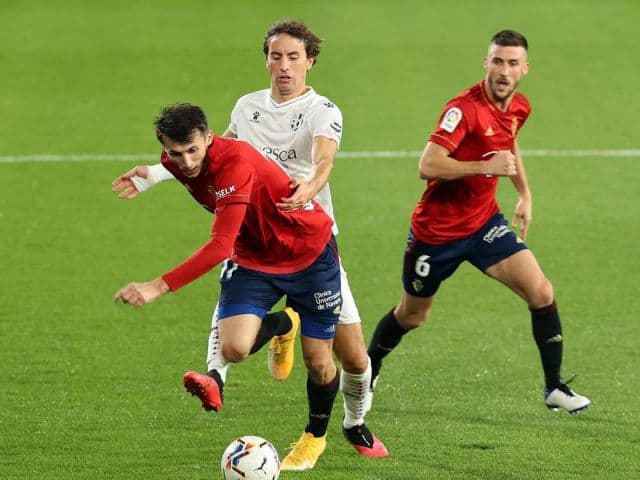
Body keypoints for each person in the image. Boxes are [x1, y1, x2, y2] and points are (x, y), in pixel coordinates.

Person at [111, 20, 388, 468]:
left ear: (309, 61)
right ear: (266, 60)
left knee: (351, 358)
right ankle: (274, 341)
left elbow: (324, 158)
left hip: (310, 242)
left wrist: (309, 186)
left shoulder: (323, 110)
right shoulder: (246, 108)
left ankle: (354, 423)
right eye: (275, 56)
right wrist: (154, 174)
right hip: (256, 245)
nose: (283, 66)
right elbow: (210, 153)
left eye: (293, 57)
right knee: (236, 343)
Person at [366, 29, 591, 415]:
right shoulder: (463, 109)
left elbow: (509, 143)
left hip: (484, 224)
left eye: (513, 63)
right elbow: (428, 164)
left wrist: (524, 192)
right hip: (436, 234)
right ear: (486, 63)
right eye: (498, 61)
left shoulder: (519, 106)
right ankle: (367, 370)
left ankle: (554, 387)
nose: (504, 70)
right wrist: (483, 166)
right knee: (412, 315)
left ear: (525, 69)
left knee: (541, 291)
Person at [113, 103, 344, 471]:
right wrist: (154, 174)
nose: (186, 161)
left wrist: (158, 286)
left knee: (318, 362)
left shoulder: (233, 163)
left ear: (209, 138)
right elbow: (180, 168)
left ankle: (315, 436)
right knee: (235, 348)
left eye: (193, 150)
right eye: (176, 153)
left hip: (309, 253)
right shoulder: (177, 159)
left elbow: (220, 245)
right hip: (253, 258)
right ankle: (285, 323)